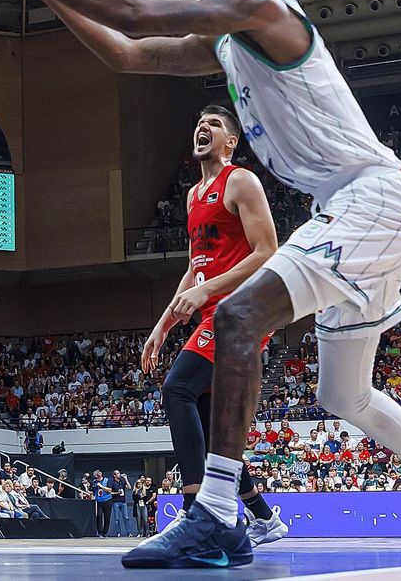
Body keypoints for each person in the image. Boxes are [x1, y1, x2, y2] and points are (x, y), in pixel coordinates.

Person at [0, 0, 401, 569]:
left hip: (374, 199)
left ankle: (218, 514)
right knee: (343, 397)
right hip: (352, 208)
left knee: (238, 314)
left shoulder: (265, 8)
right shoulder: (231, 43)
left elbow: (141, 10)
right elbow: (128, 53)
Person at [138, 106, 287, 546]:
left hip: (241, 313)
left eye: (214, 124)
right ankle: (263, 517)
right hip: (212, 312)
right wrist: (163, 325)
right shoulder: (191, 196)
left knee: (177, 388)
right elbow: (193, 270)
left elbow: (266, 251)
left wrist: (206, 292)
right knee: (206, 420)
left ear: (231, 142)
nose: (203, 127)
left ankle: (193, 512)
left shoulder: (240, 181)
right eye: (198, 122)